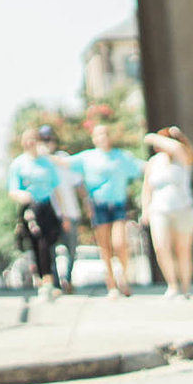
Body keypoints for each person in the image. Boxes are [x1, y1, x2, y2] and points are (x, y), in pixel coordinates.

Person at [68, 120, 143, 298]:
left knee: (120, 243)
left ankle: (123, 277)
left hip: (117, 204)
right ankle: (111, 283)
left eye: (105, 134)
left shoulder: (121, 156)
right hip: (98, 205)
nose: (102, 138)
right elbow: (64, 164)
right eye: (98, 135)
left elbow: (141, 167)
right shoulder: (87, 157)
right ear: (94, 138)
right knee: (105, 247)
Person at [141, 125, 193, 298]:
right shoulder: (154, 162)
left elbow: (177, 148)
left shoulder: (182, 157)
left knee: (183, 250)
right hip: (159, 210)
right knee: (161, 247)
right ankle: (172, 285)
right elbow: (147, 188)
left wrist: (157, 136)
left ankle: (186, 287)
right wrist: (145, 209)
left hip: (183, 209)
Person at [6, 126, 64, 300]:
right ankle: (45, 279)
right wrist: (22, 195)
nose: (31, 143)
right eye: (27, 139)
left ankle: (49, 277)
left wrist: (62, 213)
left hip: (47, 206)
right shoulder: (18, 164)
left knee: (51, 241)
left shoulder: (46, 163)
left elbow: (56, 189)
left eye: (34, 139)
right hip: (30, 207)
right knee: (39, 241)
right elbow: (12, 190)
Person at [36, 125, 80, 288]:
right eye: (43, 140)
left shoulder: (62, 158)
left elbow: (77, 182)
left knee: (71, 249)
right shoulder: (37, 164)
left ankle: (67, 279)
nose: (47, 143)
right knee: (50, 249)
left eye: (49, 140)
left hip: (69, 211)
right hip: (49, 213)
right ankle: (54, 282)